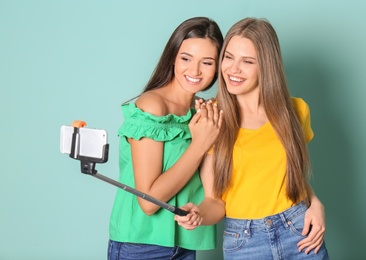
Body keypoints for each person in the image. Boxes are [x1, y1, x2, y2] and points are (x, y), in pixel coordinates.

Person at [175, 18, 330, 259]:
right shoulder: (211, 117)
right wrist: (199, 214)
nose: (233, 69)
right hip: (245, 241)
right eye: (228, 57)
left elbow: (292, 177)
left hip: (301, 233)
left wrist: (316, 204)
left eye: (247, 61)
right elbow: (214, 200)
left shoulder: (296, 111)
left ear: (267, 66)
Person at [108, 17, 224, 260]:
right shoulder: (153, 106)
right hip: (140, 246)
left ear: (218, 68)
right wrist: (200, 144)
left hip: (185, 246)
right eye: (186, 58)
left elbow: (214, 196)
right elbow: (149, 203)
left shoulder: (203, 115)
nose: (194, 71)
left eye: (207, 62)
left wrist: (201, 212)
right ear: (173, 57)